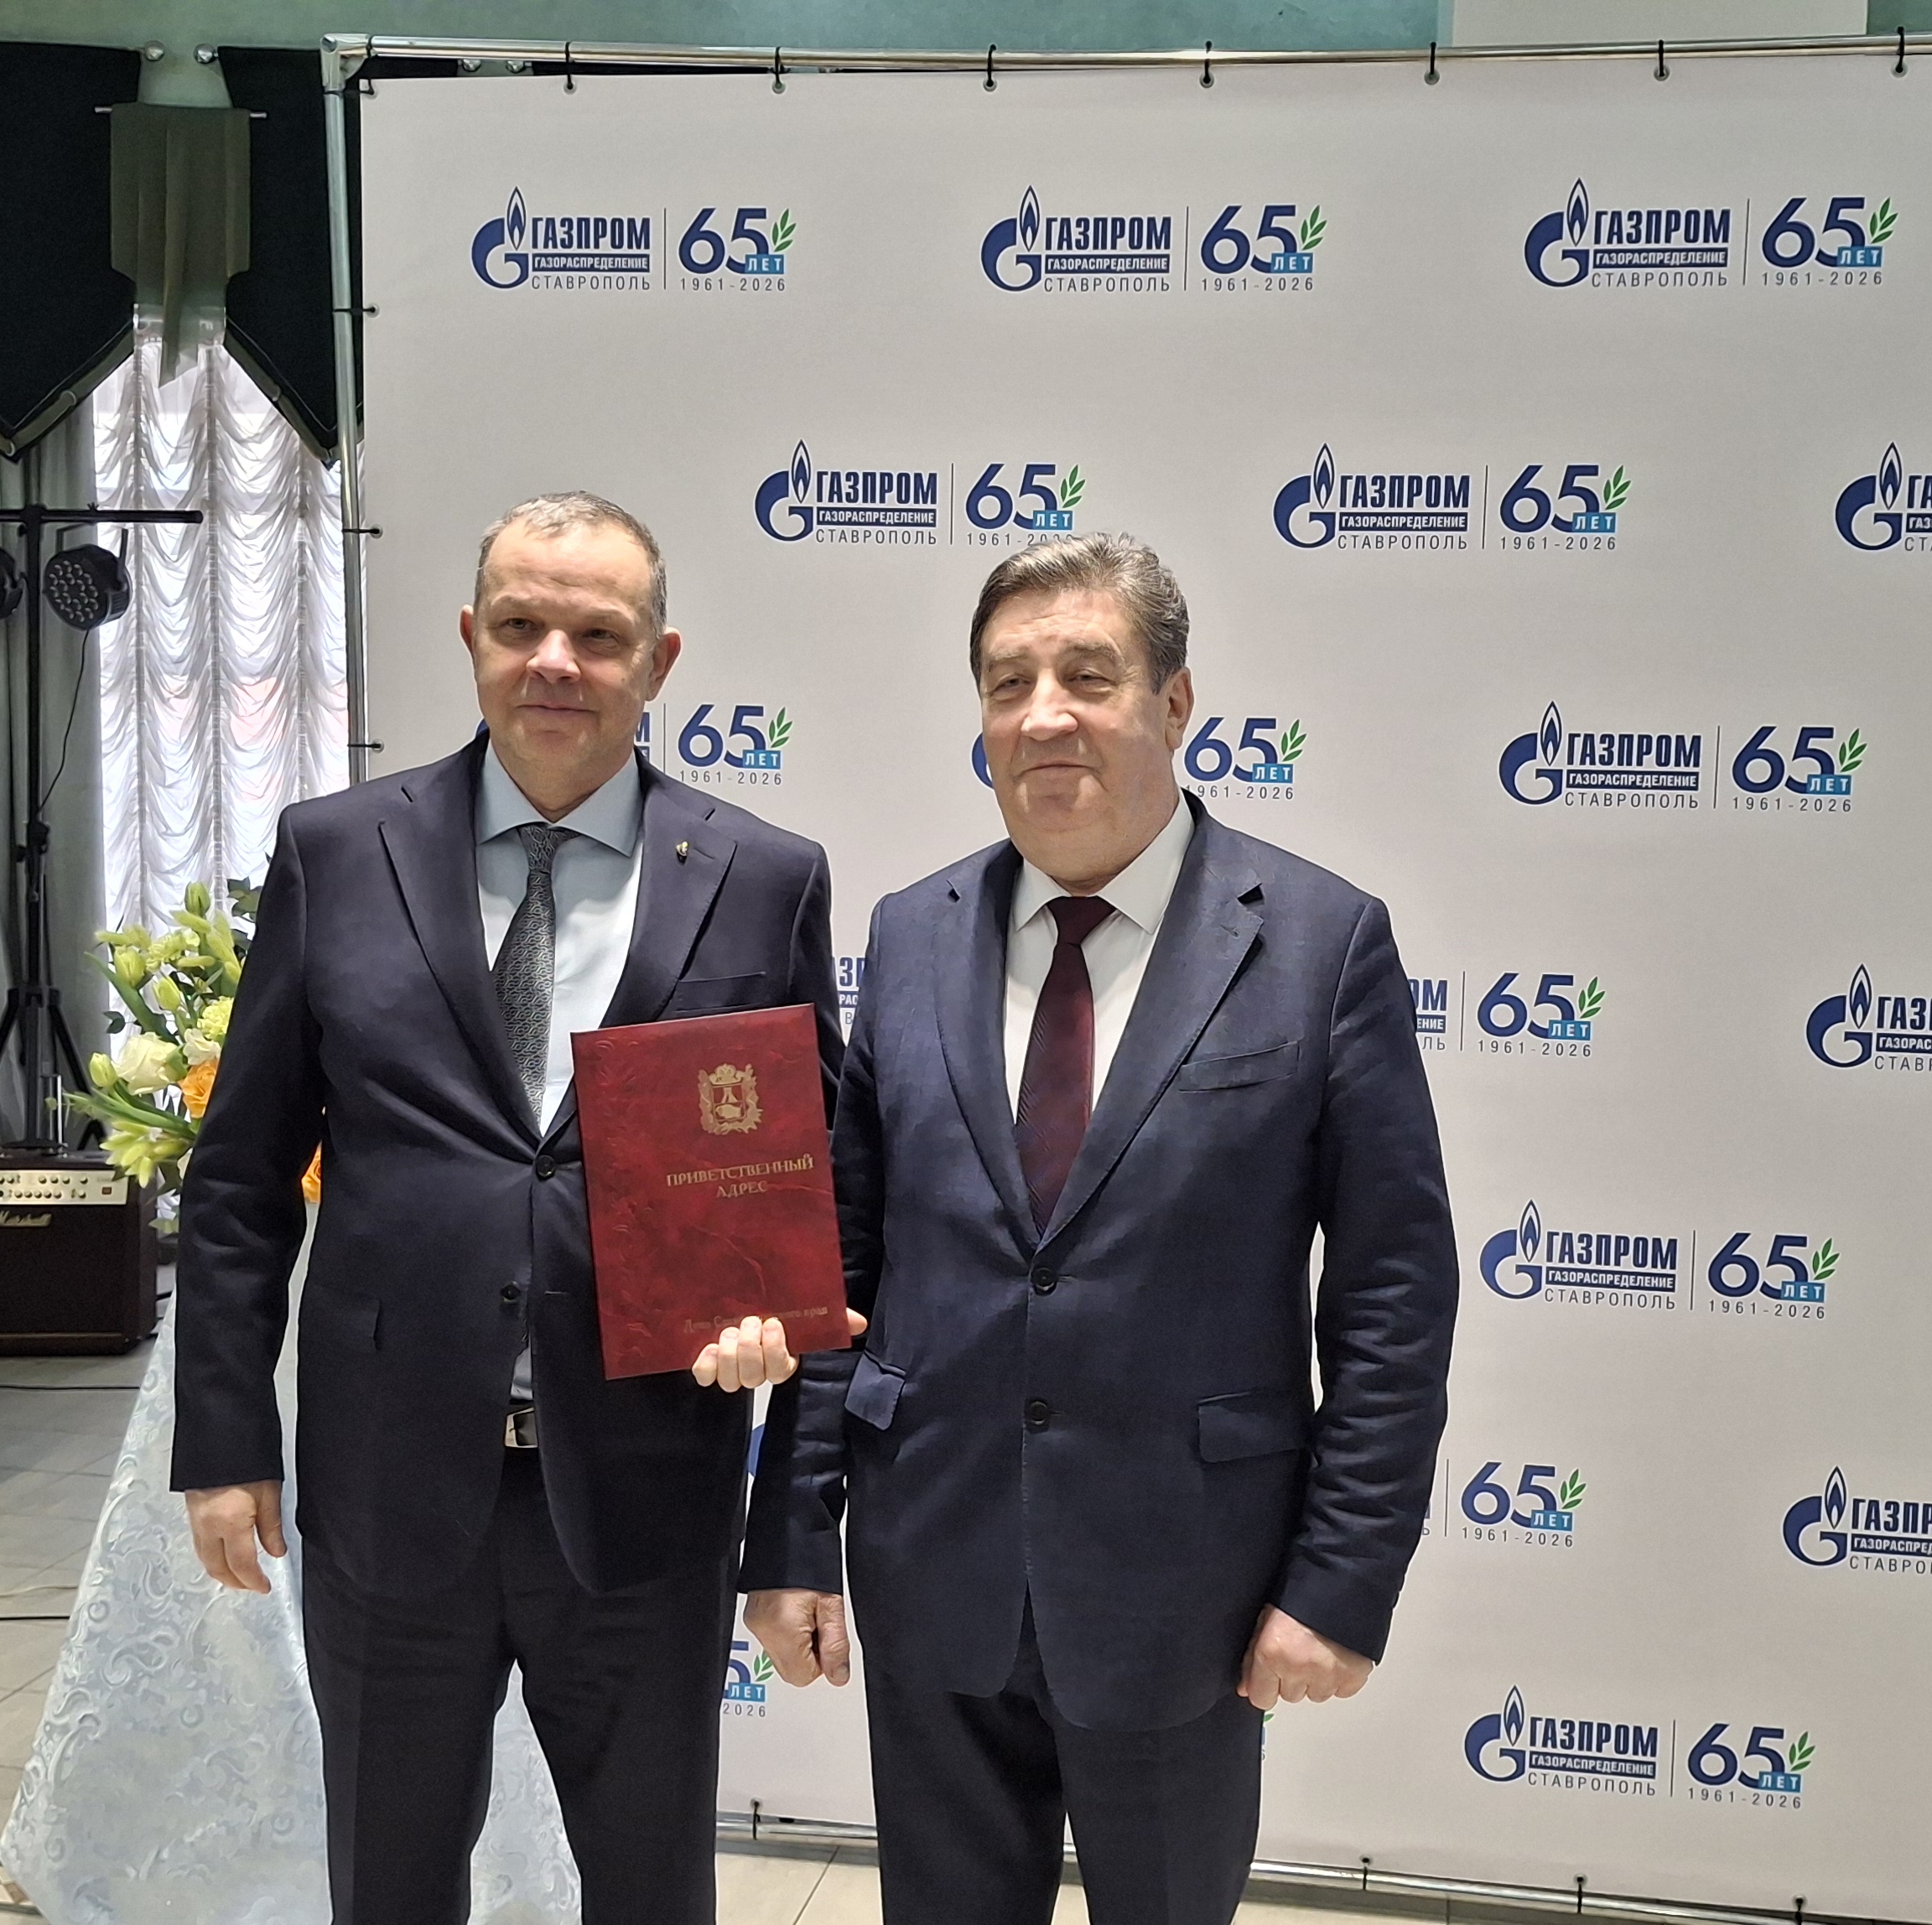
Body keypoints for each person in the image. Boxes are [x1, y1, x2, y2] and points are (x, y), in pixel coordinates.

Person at [740, 532, 1458, 1925]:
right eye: (1008, 682)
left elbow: (1392, 1296)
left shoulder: (1320, 943)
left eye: (1088, 674)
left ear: (1174, 703)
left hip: (1188, 1596)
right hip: (931, 1572)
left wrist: (1342, 1581)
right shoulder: (911, 933)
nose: (1043, 714)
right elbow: (841, 1266)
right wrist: (792, 1536)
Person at [173, 491, 846, 1925]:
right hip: (387, 1483)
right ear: (473, 637)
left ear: (659, 662)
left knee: (652, 1890)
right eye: (524, 625)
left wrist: (779, 1399)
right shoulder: (335, 851)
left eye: (597, 635)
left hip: (645, 1489)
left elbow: (813, 1199)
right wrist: (224, 1440)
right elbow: (238, 1180)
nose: (556, 661)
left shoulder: (765, 878)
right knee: (390, 1884)